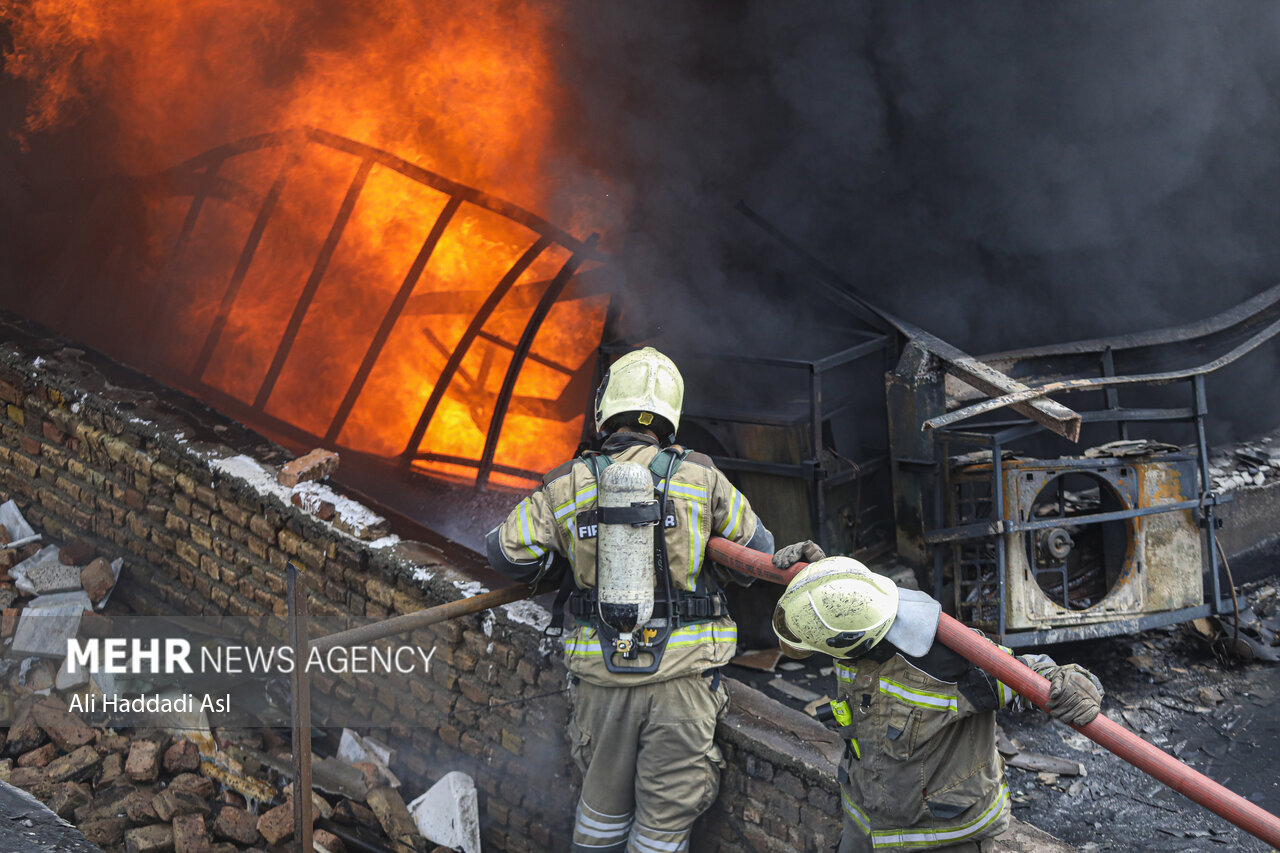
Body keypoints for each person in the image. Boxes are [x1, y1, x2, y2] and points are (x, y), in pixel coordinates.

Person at [486, 346, 776, 853]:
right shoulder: (700, 476)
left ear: (607, 408)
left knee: (598, 821)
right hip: (683, 687)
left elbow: (505, 554)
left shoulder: (567, 482)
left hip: (602, 682)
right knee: (661, 835)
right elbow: (759, 553)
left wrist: (568, 556)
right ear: (670, 415)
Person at [770, 552, 1104, 853]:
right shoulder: (854, 627)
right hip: (865, 824)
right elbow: (842, 608)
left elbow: (1028, 675)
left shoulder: (948, 660)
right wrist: (819, 574)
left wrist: (1074, 680)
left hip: (943, 837)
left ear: (847, 642)